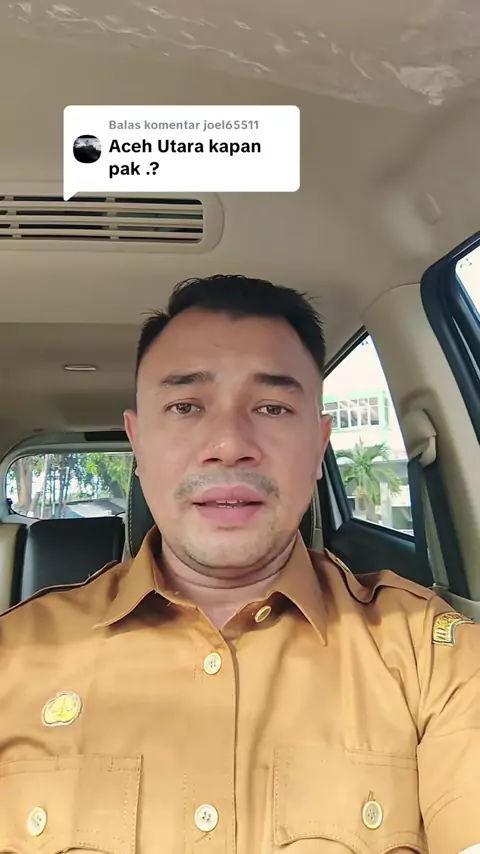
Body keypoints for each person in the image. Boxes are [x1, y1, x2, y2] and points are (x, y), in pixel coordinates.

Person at [0, 274, 479, 854]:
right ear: (138, 442)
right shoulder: (14, 656)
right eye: (185, 406)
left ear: (319, 444)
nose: (229, 444)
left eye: (272, 407)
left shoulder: (432, 658)